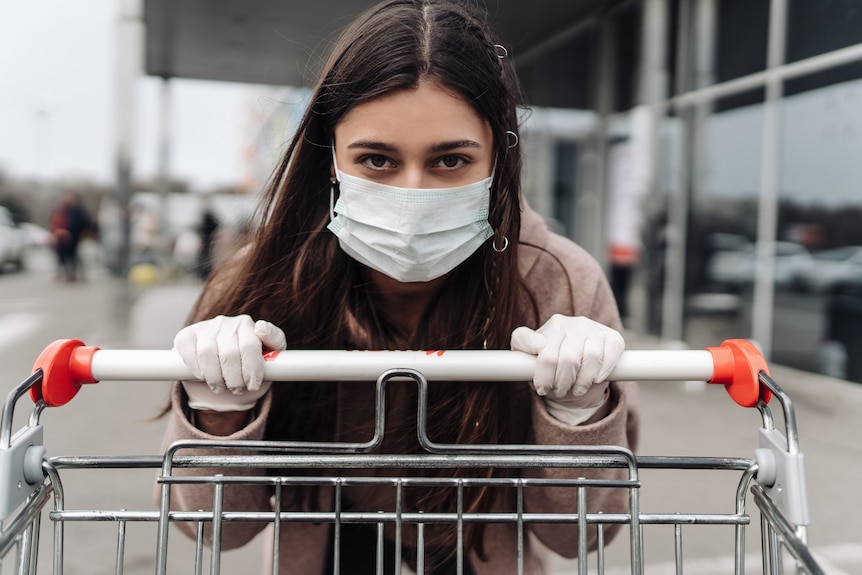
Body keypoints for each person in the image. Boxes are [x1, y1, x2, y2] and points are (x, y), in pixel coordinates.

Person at [161, 1, 638, 573]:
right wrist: (221, 410)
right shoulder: (260, 282)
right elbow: (213, 528)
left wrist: (578, 413)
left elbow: (580, 537)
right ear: (331, 159)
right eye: (378, 160)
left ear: (498, 158)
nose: (413, 193)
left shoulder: (558, 281)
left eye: (451, 160)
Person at [49, 191, 92, 281]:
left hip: (75, 236)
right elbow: (56, 221)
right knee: (64, 256)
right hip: (64, 236)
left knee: (75, 256)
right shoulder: (63, 209)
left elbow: (83, 223)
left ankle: (75, 274)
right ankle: (68, 274)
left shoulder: (79, 210)